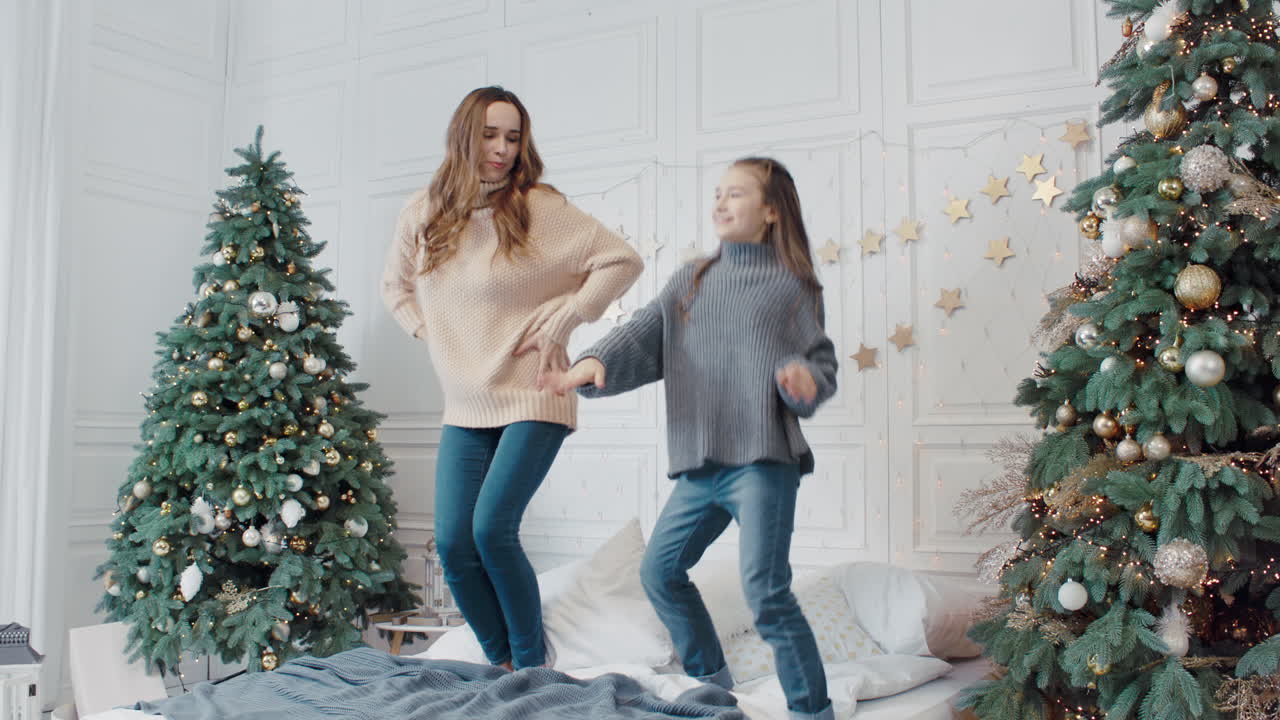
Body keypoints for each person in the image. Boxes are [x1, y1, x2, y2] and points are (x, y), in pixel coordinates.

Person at [548, 157, 838, 720]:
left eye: (736, 194)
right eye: (718, 194)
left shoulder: (792, 286)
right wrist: (591, 362)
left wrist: (806, 381)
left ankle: (811, 709)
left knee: (767, 591)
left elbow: (819, 365)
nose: (721, 204)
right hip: (701, 464)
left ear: (772, 211)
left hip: (762, 460)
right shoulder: (690, 279)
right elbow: (644, 335)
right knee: (660, 570)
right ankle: (712, 680)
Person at [381, 86, 643, 671]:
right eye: (490, 134)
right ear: (464, 135)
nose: (501, 149)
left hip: (533, 391)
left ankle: (530, 668)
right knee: (453, 542)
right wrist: (433, 337)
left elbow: (622, 260)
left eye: (513, 136)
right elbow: (394, 288)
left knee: (492, 530)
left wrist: (569, 313)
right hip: (464, 401)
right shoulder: (422, 212)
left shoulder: (537, 208)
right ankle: (500, 665)